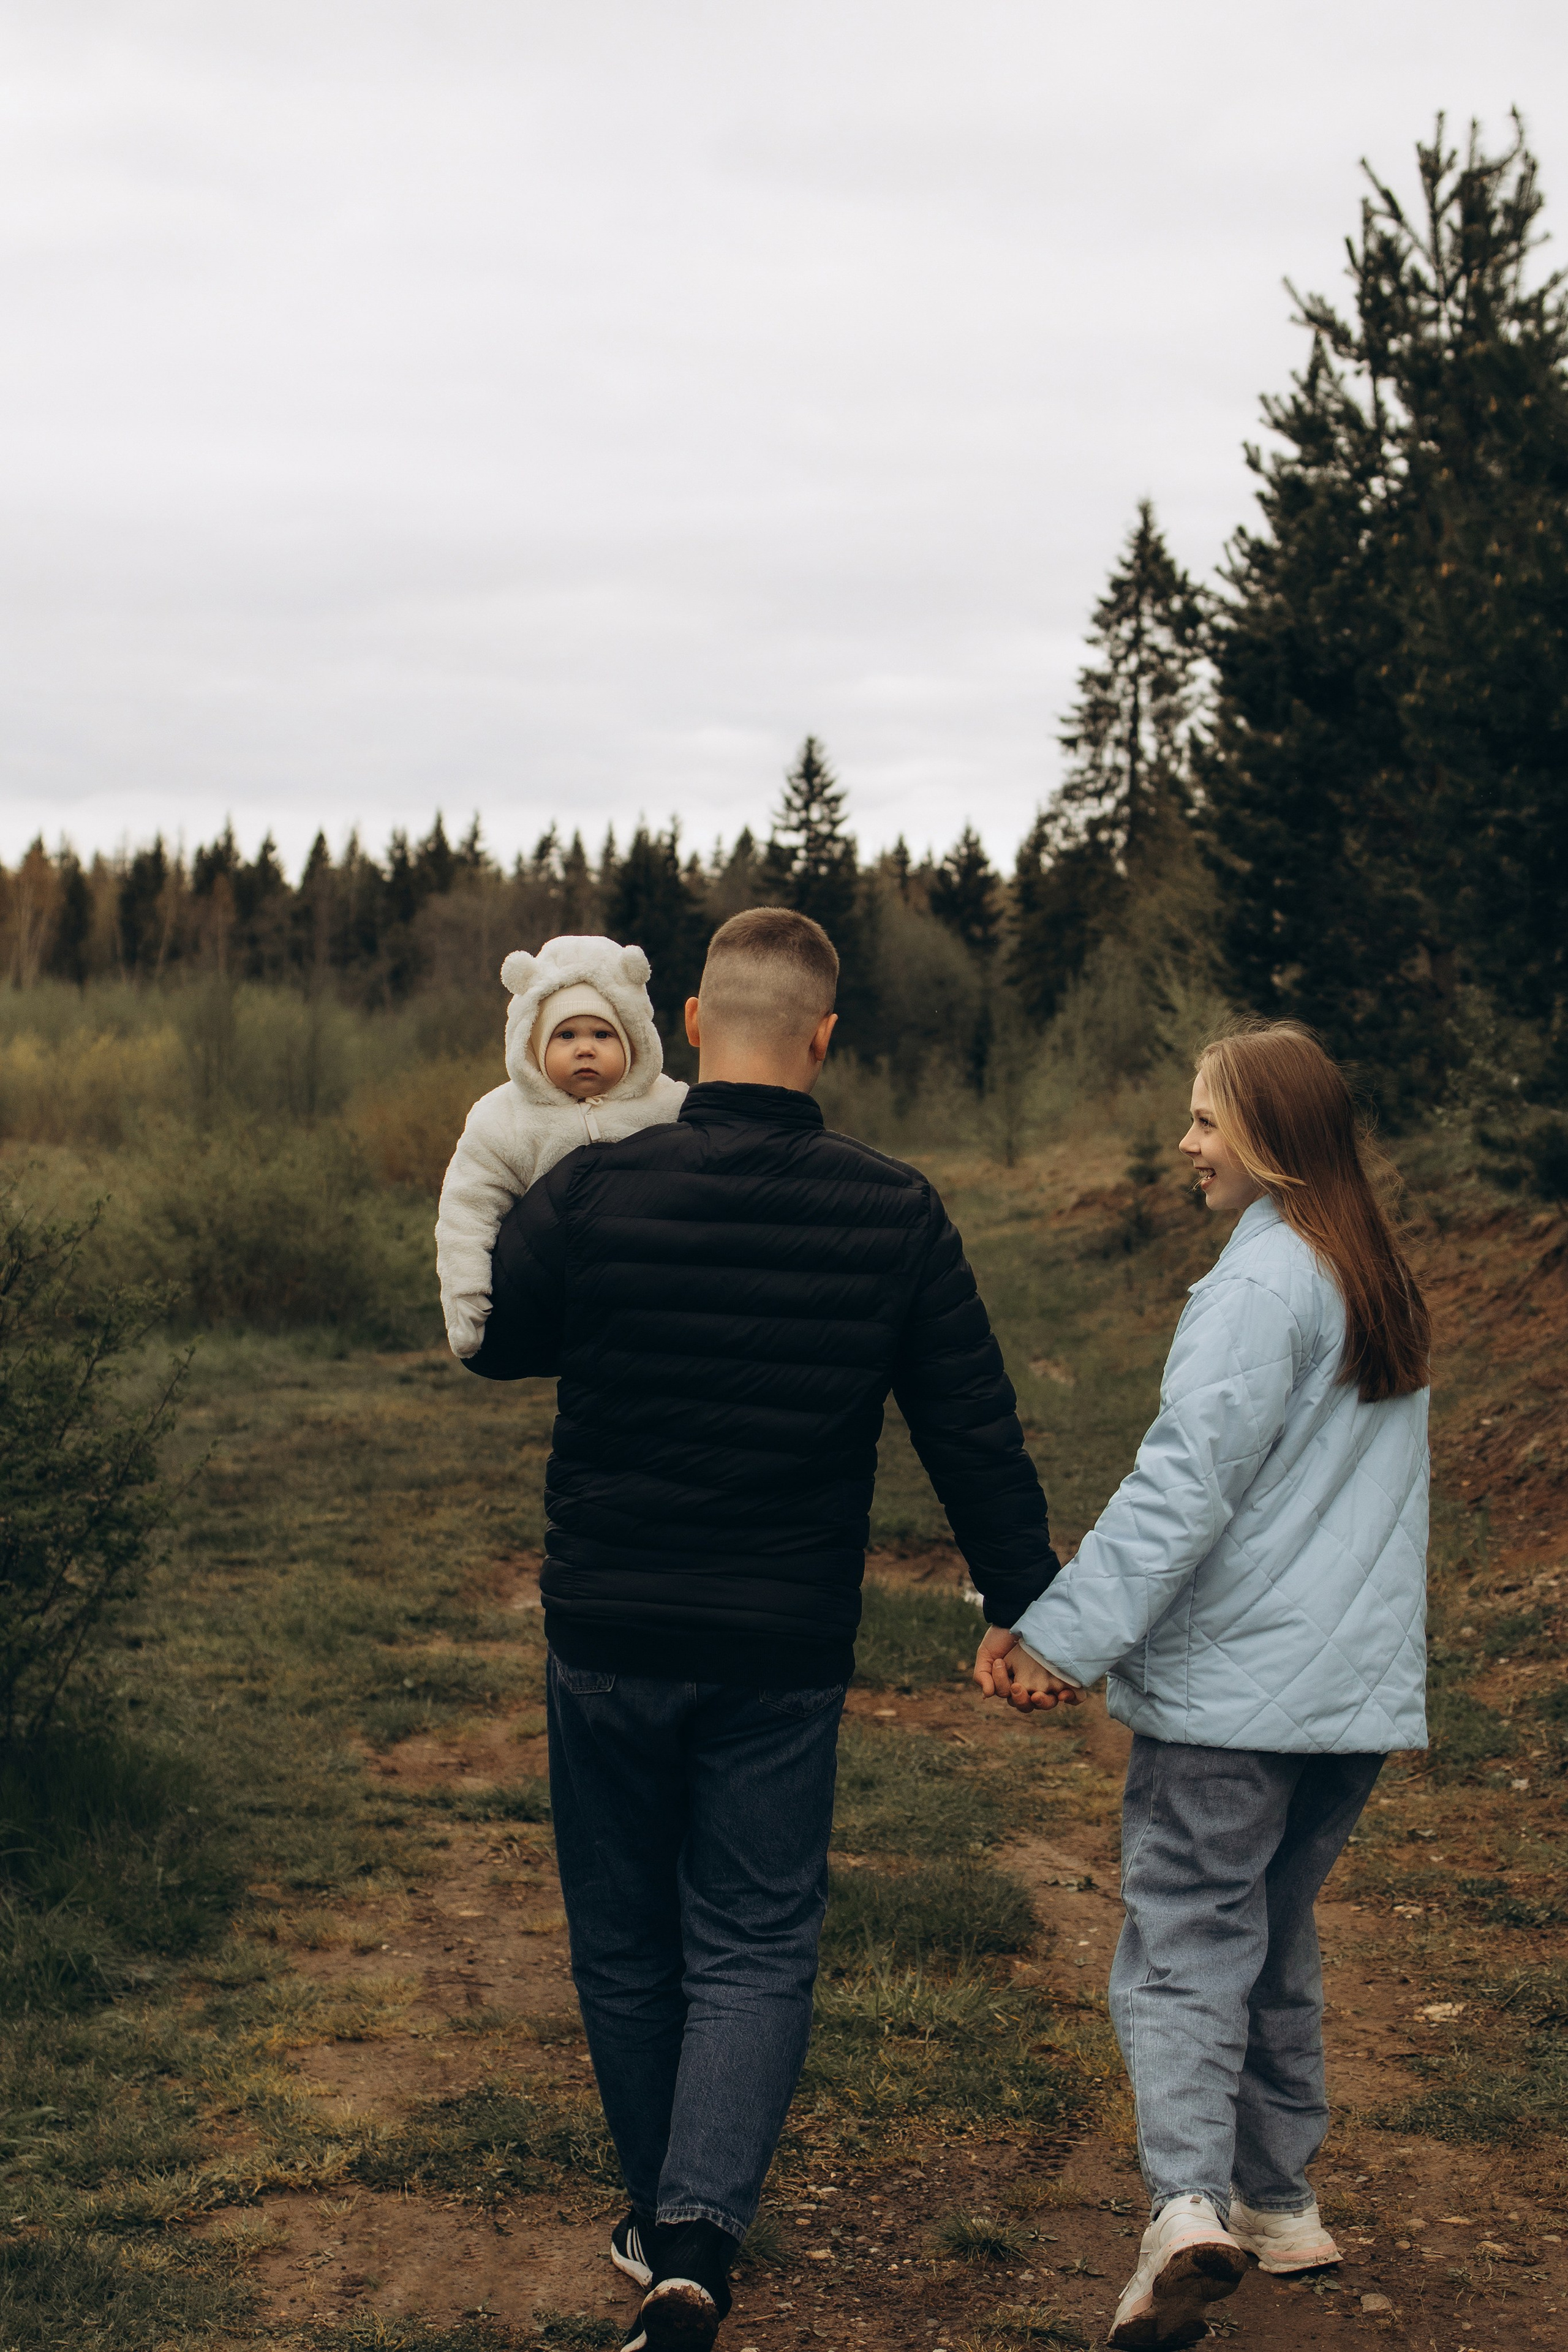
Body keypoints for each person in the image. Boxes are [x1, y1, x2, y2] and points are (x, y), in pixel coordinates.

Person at [467, 906, 1061, 2352]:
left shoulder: (594, 1187)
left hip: (609, 1624)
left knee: (624, 1935)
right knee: (750, 1937)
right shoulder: (894, 1210)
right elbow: (970, 1427)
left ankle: (658, 2224)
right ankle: (691, 2248)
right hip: (780, 1642)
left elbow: (498, 1340)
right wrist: (1025, 1604)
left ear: (687, 1027)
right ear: (823, 1037)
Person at [976, 1022, 1430, 2351]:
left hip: (1235, 1693)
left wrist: (1060, 1638)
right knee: (1272, 1929)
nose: (1185, 1144)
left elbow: (1183, 1489)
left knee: (1184, 1934)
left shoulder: (1260, 1286)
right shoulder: (1370, 1275)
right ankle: (1278, 2202)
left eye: (1206, 1119)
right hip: (1343, 1696)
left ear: (1272, 1138)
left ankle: (1185, 2206)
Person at [435, 934, 687, 1359]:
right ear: (533, 1043)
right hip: (560, 1304)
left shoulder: (670, 1104)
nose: (585, 1048)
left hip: (657, 1296)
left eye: (603, 1034)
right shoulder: (503, 1118)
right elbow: (468, 1207)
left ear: (633, 1041)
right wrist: (467, 1294)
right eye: (566, 1035)